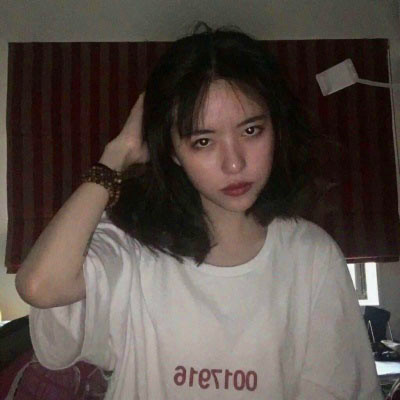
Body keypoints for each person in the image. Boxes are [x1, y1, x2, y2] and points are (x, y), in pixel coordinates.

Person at [15, 23, 383, 399]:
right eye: (203, 141)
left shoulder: (311, 256)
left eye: (251, 131)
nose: (234, 163)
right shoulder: (133, 247)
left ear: (276, 128)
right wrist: (119, 152)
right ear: (173, 152)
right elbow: (40, 285)